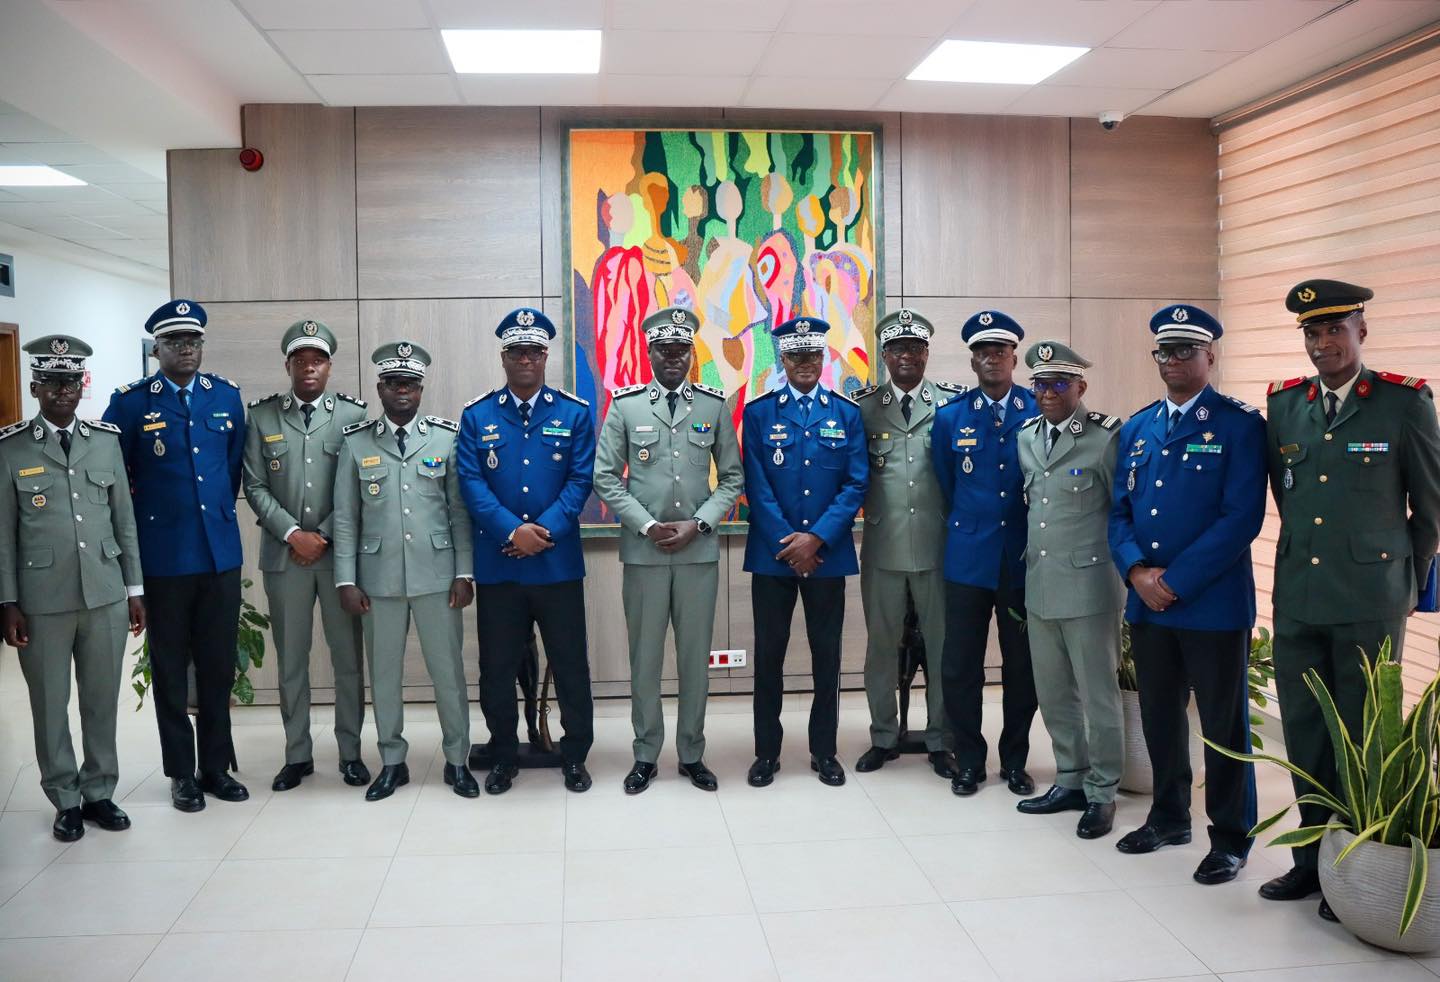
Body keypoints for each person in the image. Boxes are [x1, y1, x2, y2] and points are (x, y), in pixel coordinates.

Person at [1260, 279, 1440, 920]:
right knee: (1307, 731)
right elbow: (1290, 495)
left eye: (1336, 328)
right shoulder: (1285, 405)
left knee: (1363, 736)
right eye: (1312, 332)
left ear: (1361, 331)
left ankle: (1353, 872)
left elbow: (1430, 507)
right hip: (1299, 596)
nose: (1323, 342)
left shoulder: (1403, 402)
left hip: (1370, 597)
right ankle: (1311, 862)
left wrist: (1410, 583)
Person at [1107, 304, 1264, 885]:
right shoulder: (1138, 427)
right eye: (1164, 351)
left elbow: (1241, 517)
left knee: (1223, 725)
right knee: (1159, 715)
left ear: (1209, 356)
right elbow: (1119, 512)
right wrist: (1135, 573)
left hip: (1211, 603)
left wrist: (1173, 581)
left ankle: (1231, 837)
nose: (1172, 360)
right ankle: (1170, 818)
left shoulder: (1239, 424)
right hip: (1147, 603)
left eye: (1185, 350)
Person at [103, 299, 248, 812]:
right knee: (169, 670)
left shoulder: (225, 396)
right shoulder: (129, 404)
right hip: (163, 558)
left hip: (219, 556)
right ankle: (182, 773)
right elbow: (115, 483)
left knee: (217, 667)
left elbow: (232, 470)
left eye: (193, 341)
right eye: (174, 342)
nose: (186, 349)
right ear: (156, 349)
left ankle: (216, 767)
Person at [592, 307, 743, 794]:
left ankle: (692, 753)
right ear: (650, 352)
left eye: (682, 350)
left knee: (695, 659)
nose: (674, 357)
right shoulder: (626, 406)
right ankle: (645, 754)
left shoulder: (712, 406)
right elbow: (604, 477)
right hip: (645, 554)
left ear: (692, 354)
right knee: (645, 659)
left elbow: (733, 478)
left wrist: (700, 523)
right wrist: (648, 524)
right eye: (664, 349)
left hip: (699, 554)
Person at [1, 336, 144, 841]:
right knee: (49, 703)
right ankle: (64, 797)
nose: (63, 390)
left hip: (104, 592)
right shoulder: (11, 448)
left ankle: (100, 791)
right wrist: (7, 601)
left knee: (101, 700)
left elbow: (124, 521)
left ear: (82, 386)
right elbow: (3, 534)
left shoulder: (105, 441)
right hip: (42, 600)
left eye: (71, 381)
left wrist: (134, 589)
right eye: (52, 382)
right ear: (35, 388)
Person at [456, 308, 597, 795]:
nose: (525, 360)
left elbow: (580, 481)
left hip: (557, 566)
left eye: (533, 352)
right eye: (516, 352)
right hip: (500, 566)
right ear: (504, 357)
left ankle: (574, 755)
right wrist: (513, 531)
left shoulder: (573, 413)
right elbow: (471, 484)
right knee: (496, 669)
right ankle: (503, 755)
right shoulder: (477, 415)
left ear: (545, 356)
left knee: (571, 665)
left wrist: (542, 532)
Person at [332, 341, 476, 801]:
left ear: (420, 389)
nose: (402, 391)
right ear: (380, 388)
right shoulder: (357, 442)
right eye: (393, 383)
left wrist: (465, 572)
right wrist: (346, 579)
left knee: (448, 673)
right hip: (378, 580)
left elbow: (459, 513)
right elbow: (345, 518)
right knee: (384, 676)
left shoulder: (445, 438)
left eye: (410, 384)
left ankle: (457, 760)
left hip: (438, 576)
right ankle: (392, 761)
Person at [242, 319, 370, 792]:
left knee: (347, 659)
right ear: (288, 366)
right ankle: (297, 754)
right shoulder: (263, 417)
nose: (310, 367)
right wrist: (294, 534)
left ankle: (351, 752)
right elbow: (254, 485)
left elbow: (360, 483)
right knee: (291, 659)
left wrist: (324, 537)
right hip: (285, 558)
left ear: (329, 367)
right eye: (301, 360)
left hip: (339, 559)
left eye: (318, 360)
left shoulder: (353, 414)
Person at [742, 316, 868, 788]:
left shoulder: (846, 413)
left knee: (826, 657)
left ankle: (825, 751)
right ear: (783, 359)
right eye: (795, 355)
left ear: (823, 356)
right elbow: (757, 486)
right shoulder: (759, 413)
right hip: (772, 556)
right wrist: (791, 544)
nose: (804, 363)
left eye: (812, 354)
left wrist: (816, 539)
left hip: (827, 556)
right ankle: (766, 753)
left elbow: (855, 483)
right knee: (769, 658)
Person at [1013, 340, 1124, 839]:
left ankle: (1102, 791)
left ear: (1081, 386)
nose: (1048, 392)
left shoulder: (1105, 437)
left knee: (1098, 696)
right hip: (1040, 584)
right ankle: (1071, 777)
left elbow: (1123, 512)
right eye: (1040, 383)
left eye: (1059, 383)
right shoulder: (1027, 436)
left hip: (1090, 587)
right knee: (1054, 693)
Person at [931, 310, 1040, 797]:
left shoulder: (1037, 409)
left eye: (1000, 351)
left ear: (1014, 357)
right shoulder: (950, 417)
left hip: (1021, 558)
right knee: (960, 665)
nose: (991, 358)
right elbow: (947, 482)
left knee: (1021, 665)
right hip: (969, 558)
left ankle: (1015, 760)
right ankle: (970, 760)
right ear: (972, 361)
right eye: (982, 352)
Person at [853, 307, 964, 779]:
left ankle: (940, 739)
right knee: (881, 649)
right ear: (885, 355)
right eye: (897, 348)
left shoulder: (952, 404)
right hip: (883, 547)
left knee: (941, 649)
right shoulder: (862, 407)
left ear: (926, 354)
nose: (906, 356)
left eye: (915, 348)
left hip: (938, 547)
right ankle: (883, 735)